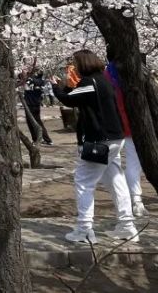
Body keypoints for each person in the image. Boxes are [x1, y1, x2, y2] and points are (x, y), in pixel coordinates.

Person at [51, 49, 137, 242]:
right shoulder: (105, 81)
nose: (74, 68)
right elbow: (77, 96)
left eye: (76, 64)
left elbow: (69, 99)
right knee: (116, 180)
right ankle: (127, 225)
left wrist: (57, 87)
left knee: (84, 182)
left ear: (83, 64)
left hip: (100, 140)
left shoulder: (90, 83)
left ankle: (84, 229)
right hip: (115, 138)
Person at [104, 57, 146, 217]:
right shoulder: (135, 70)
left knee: (123, 164)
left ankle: (135, 201)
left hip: (118, 125)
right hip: (136, 123)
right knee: (133, 163)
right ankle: (135, 201)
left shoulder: (107, 74)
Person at [23, 69, 52, 145]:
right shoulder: (42, 81)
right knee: (38, 121)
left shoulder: (30, 79)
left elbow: (26, 87)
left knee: (30, 122)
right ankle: (47, 139)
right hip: (37, 103)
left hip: (29, 103)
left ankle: (36, 139)